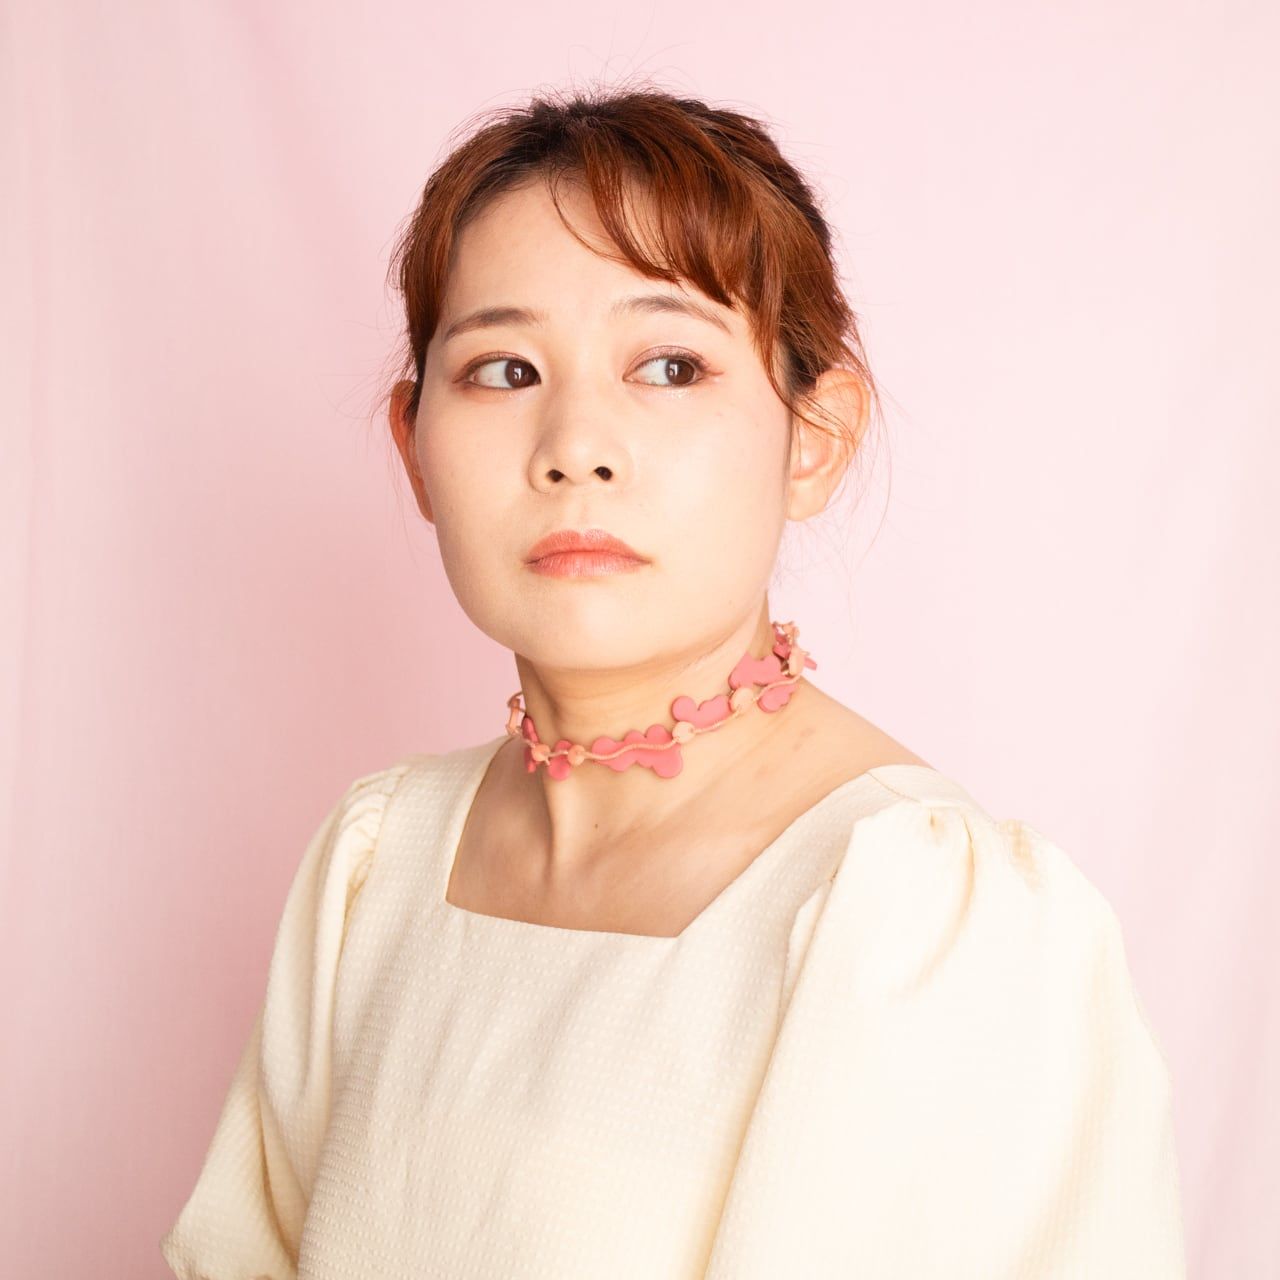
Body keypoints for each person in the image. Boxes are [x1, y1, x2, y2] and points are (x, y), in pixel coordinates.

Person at [159, 84, 1187, 1278]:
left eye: (667, 364)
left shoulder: (925, 920)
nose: (574, 447)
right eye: (502, 369)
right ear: (415, 447)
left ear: (813, 436)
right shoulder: (374, 861)